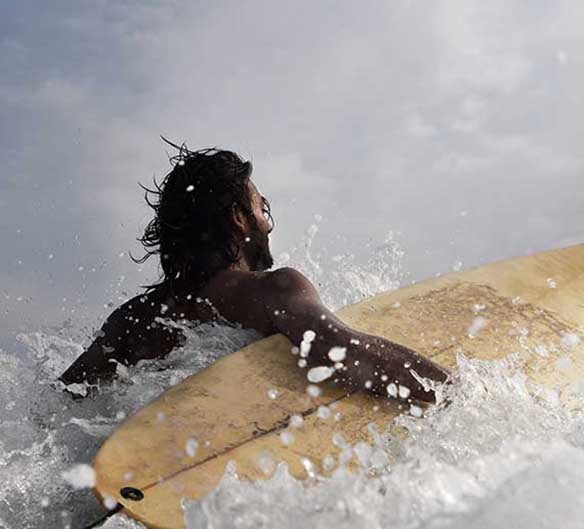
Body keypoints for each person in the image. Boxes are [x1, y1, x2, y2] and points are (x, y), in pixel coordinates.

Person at [59, 140, 448, 401]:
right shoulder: (271, 291)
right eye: (262, 208)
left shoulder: (133, 318)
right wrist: (453, 392)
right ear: (239, 219)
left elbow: (63, 403)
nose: (269, 222)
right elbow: (343, 351)